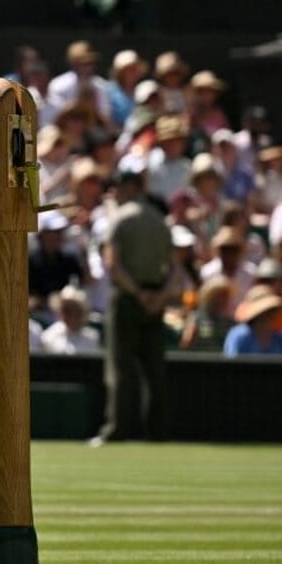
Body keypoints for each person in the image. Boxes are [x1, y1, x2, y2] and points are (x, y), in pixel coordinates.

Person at [93, 163, 173, 444]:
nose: (114, 191)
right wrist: (158, 297)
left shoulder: (119, 220)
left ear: (131, 188)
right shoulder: (160, 221)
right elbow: (174, 269)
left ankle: (116, 430)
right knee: (154, 369)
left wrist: (138, 294)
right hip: (155, 300)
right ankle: (158, 432)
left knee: (120, 368)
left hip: (129, 299)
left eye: (119, 186)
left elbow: (113, 266)